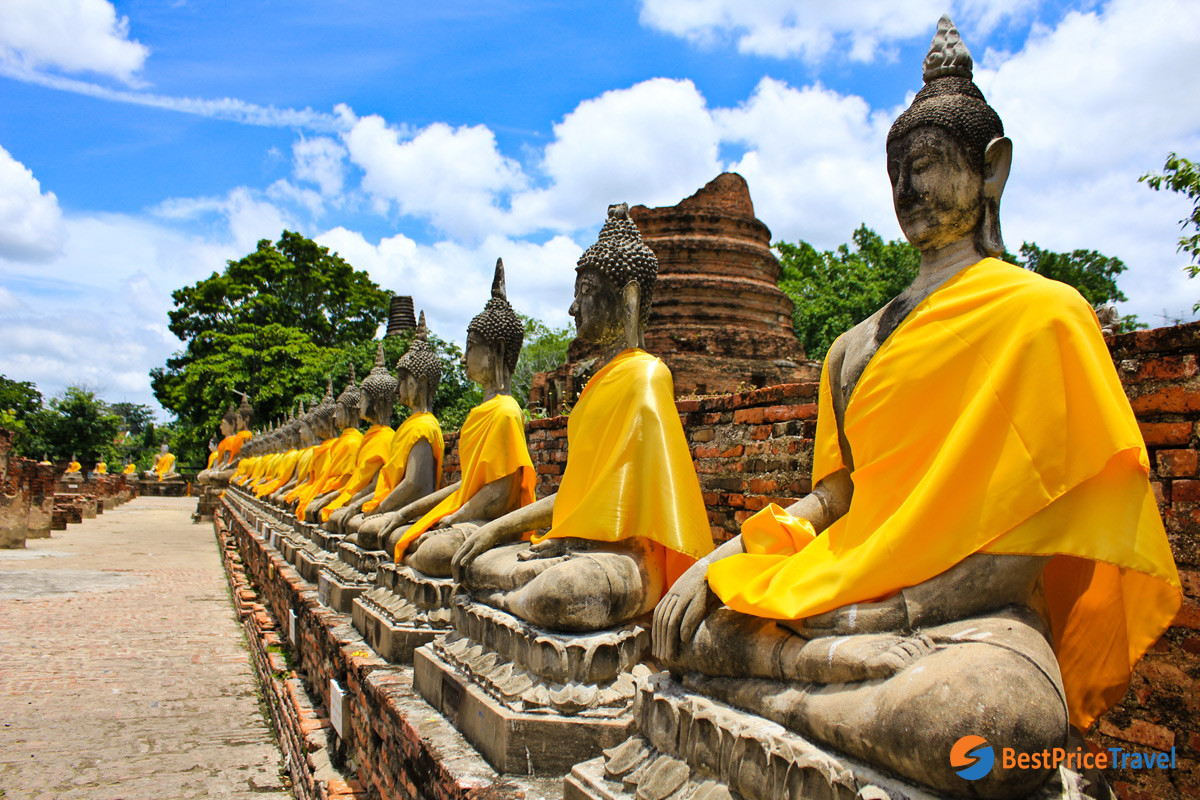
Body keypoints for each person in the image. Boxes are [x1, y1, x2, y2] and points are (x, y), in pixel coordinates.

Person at [652, 17, 1181, 798]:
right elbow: (839, 499)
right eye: (896, 169)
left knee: (988, 728)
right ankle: (821, 686)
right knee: (688, 630)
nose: (908, 190)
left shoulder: (1044, 317)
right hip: (846, 593)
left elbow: (1033, 537)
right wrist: (722, 559)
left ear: (991, 168)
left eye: (928, 164)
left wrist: (884, 619)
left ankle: (801, 690)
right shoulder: (852, 348)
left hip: (973, 616)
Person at [451, 205, 713, 632]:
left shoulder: (646, 376)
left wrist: (559, 539)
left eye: (587, 291)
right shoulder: (593, 390)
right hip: (575, 549)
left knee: (564, 594)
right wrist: (497, 530)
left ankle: (518, 600)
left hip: (626, 557)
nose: (573, 307)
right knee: (479, 560)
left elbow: (644, 513)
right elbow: (578, 497)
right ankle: (516, 596)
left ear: (627, 297)